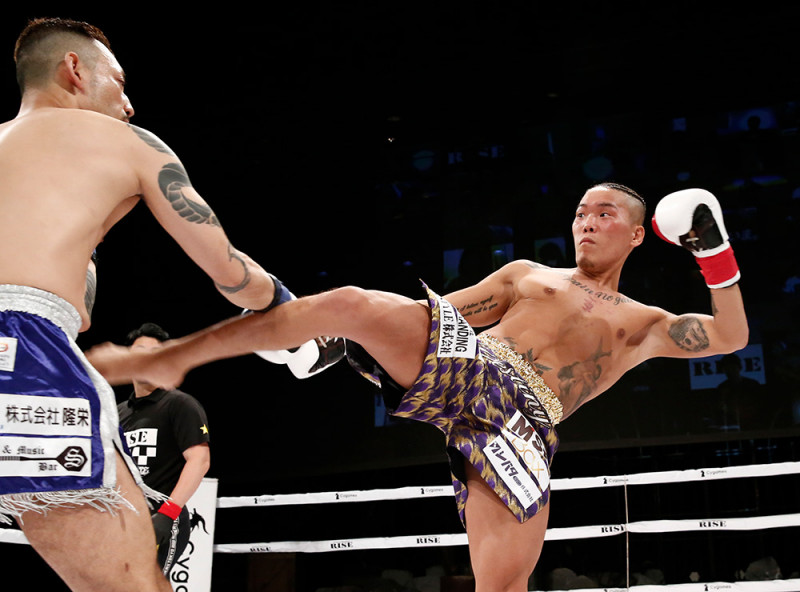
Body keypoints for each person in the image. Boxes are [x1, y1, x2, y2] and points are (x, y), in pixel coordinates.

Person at [88, 183, 749, 591]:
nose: (586, 222)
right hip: (475, 368)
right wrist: (366, 335)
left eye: (603, 214)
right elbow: (440, 316)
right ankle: (186, 356)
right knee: (354, 304)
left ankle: (328, 343)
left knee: (505, 584)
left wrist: (712, 253)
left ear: (636, 233)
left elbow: (730, 336)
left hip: (526, 428)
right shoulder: (527, 275)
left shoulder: (643, 323)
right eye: (580, 212)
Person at [0, 17, 338, 592]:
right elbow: (229, 272)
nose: (129, 105)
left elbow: (74, 306)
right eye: (120, 82)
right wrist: (285, 310)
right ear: (74, 69)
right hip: (24, 353)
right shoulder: (127, 143)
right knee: (131, 584)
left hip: (29, 339)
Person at [117, 322, 211, 576]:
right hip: (123, 520)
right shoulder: (118, 413)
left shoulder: (179, 404)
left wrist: (167, 514)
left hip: (162, 516)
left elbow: (200, 460)